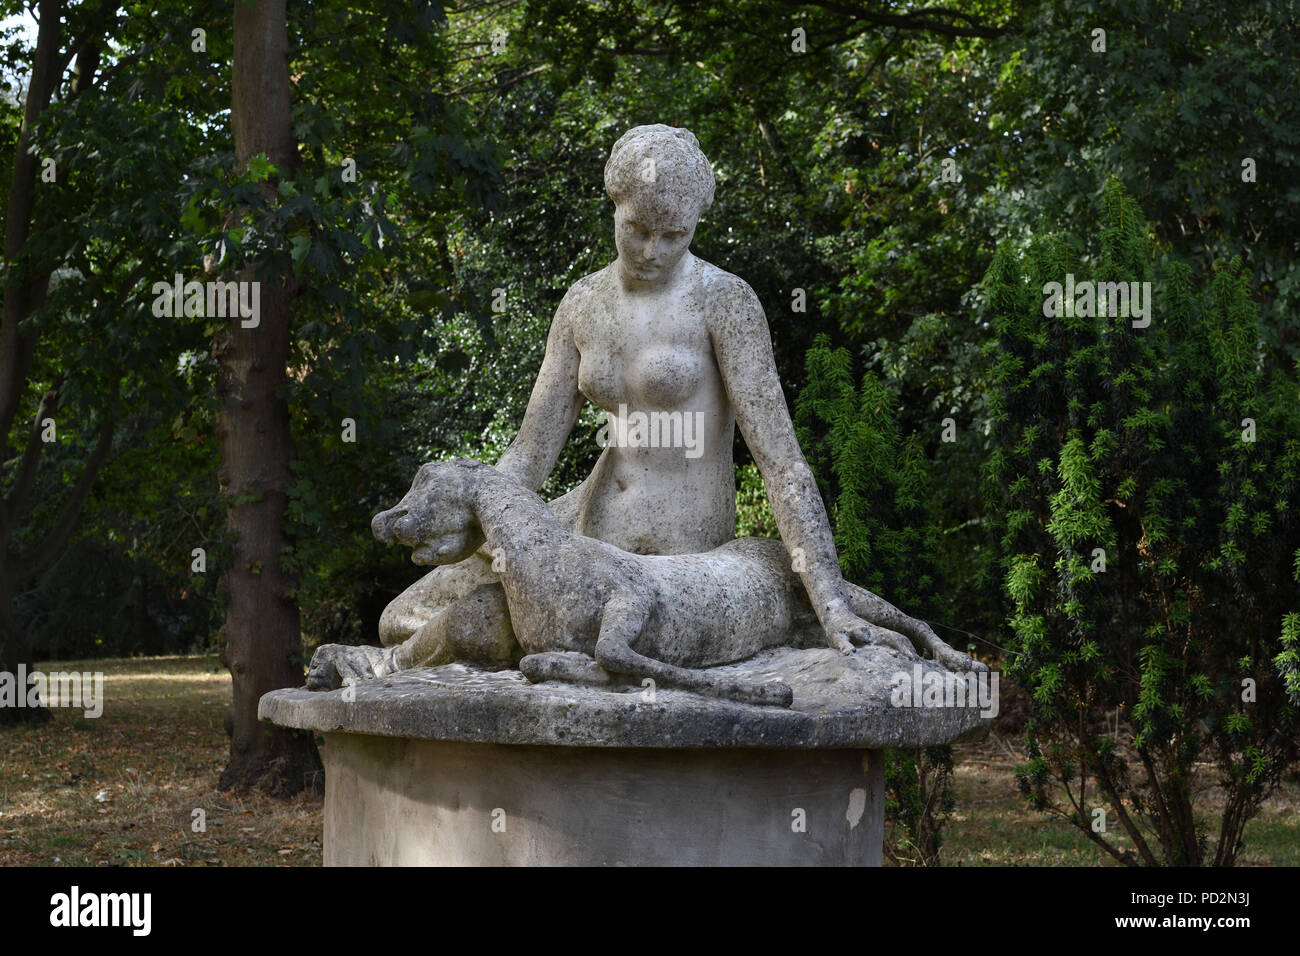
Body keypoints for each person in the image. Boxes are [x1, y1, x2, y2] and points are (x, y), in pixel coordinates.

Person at [309, 124, 955, 688]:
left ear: (696, 224)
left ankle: (398, 670)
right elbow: (531, 453)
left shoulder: (723, 302)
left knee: (474, 623)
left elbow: (782, 463)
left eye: (673, 235)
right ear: (614, 205)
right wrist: (486, 521)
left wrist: (833, 602)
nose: (652, 250)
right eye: (636, 229)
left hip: (669, 549)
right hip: (581, 526)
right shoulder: (583, 303)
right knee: (402, 617)